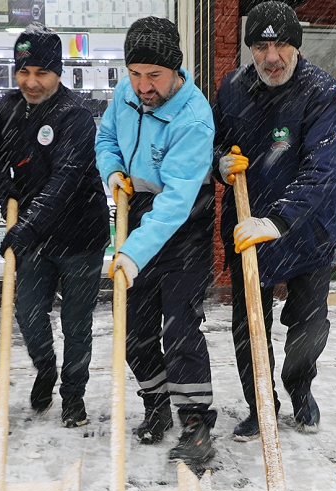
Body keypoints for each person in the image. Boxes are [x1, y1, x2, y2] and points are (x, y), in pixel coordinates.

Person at [213, 0, 336, 437]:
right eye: (261, 46)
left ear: (297, 46)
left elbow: (322, 169)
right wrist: (219, 165)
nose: (272, 57)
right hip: (248, 224)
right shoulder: (232, 89)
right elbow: (213, 145)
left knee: (308, 325)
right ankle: (260, 404)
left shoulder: (323, 93)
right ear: (250, 48)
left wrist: (278, 221)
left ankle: (299, 387)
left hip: (308, 229)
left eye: (282, 44)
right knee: (249, 324)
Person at [95, 16, 218, 467]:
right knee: (133, 329)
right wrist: (112, 171)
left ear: (175, 71)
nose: (143, 86)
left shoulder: (193, 117)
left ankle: (196, 424)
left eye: (154, 76)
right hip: (138, 213)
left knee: (180, 328)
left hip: (184, 222)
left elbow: (176, 202)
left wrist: (130, 253)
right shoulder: (126, 94)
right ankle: (156, 405)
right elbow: (106, 136)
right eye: (135, 74)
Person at [0, 27, 108, 428]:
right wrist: (8, 199)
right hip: (34, 238)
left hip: (80, 237)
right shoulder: (6, 110)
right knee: (29, 313)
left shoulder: (75, 115)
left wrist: (26, 227)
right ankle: (45, 367)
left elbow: (66, 181)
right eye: (23, 72)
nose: (31, 82)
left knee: (76, 323)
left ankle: (73, 394)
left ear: (58, 72)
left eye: (41, 72)